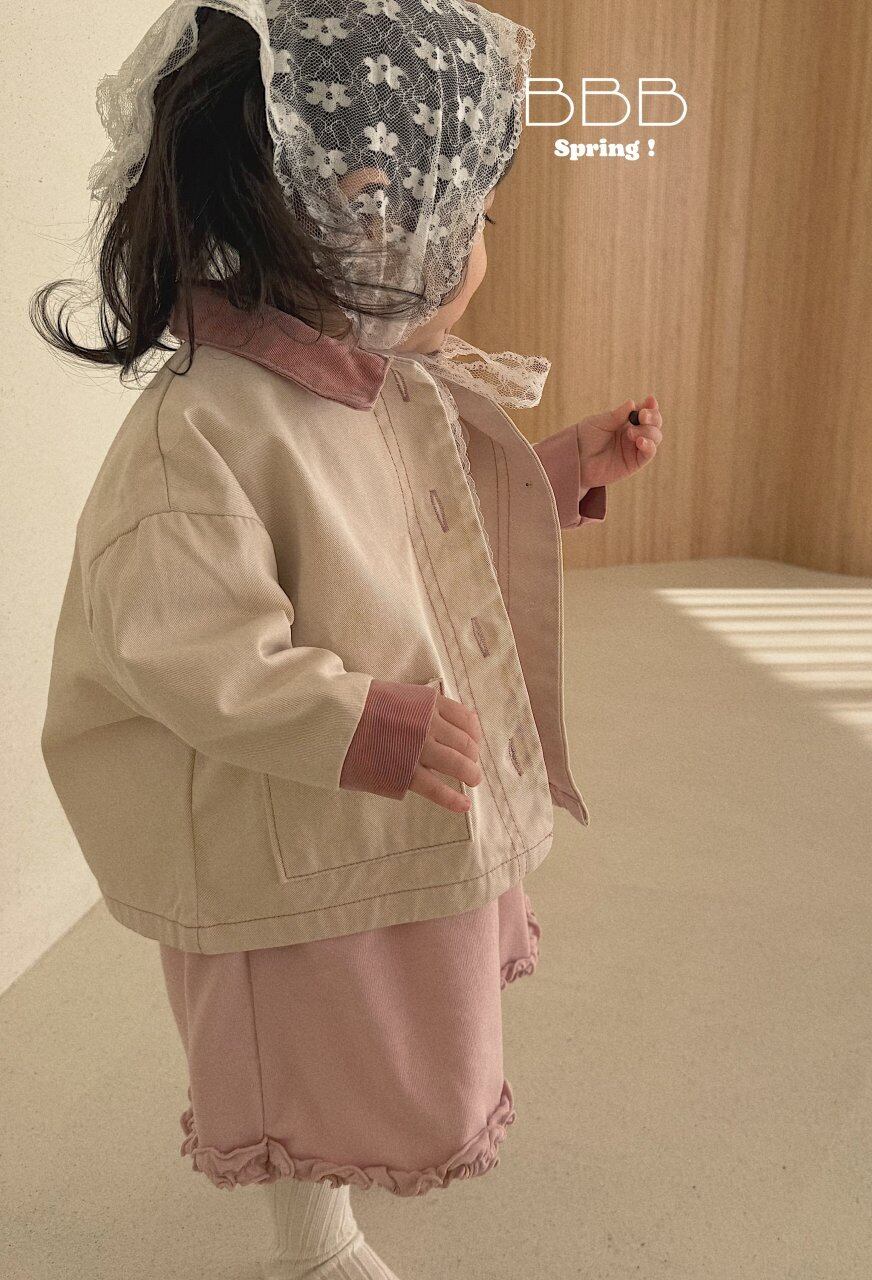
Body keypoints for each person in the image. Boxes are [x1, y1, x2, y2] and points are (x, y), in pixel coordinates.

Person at [34, 3, 664, 1276]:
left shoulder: (373, 382)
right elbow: (181, 645)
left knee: (362, 1010)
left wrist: (555, 470)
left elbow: (424, 526)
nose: (481, 249)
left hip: (372, 804)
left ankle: (328, 1206)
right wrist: (354, 721)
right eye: (473, 221)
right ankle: (310, 1243)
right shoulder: (204, 431)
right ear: (366, 211)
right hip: (287, 813)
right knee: (304, 1030)